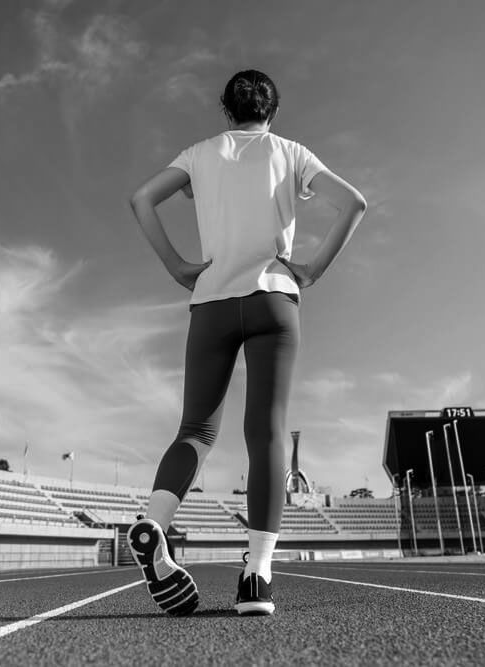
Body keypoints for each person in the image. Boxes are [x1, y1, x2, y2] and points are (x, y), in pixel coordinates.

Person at [127, 69, 366, 616]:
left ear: (226, 111)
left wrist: (178, 267)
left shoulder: (199, 153)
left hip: (210, 300)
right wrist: (311, 270)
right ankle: (257, 576)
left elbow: (142, 199)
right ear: (271, 111)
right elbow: (354, 203)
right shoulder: (291, 152)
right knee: (267, 434)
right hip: (273, 298)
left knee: (195, 430)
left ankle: (154, 522)